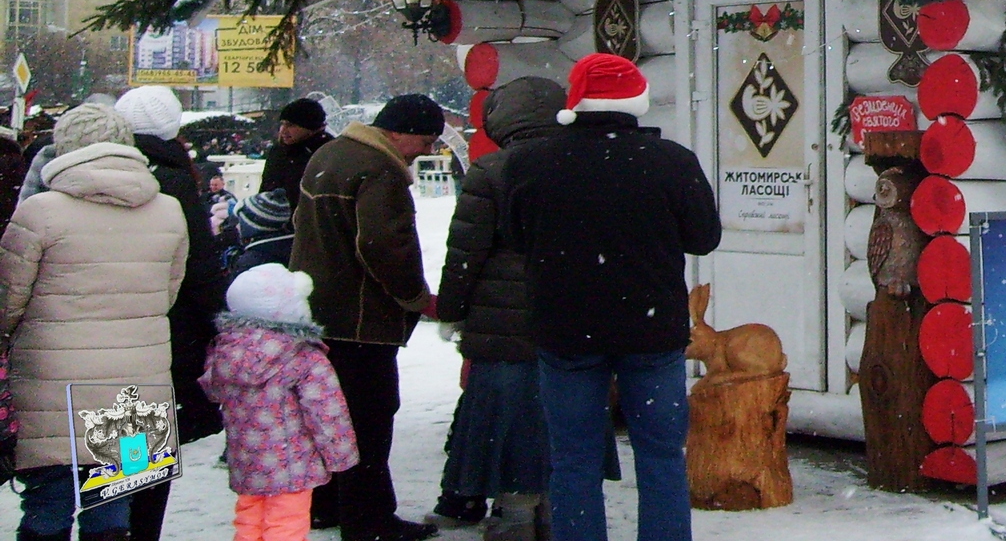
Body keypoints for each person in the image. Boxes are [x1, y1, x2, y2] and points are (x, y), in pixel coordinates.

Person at [505, 55, 720, 541]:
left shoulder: (531, 161)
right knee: (662, 456)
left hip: (565, 329)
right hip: (651, 331)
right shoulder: (671, 161)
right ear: (636, 101)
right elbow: (704, 237)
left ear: (576, 100)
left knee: (573, 460)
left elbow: (516, 237)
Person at [0, 104, 189, 541]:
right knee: (113, 508)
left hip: (54, 384)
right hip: (136, 386)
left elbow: (8, 301)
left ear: (65, 148)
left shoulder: (39, 212)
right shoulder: (169, 211)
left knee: (49, 503)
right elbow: (167, 294)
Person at [292, 94, 446, 541]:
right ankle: (370, 520)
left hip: (319, 312)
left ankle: (325, 505)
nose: (427, 150)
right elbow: (383, 246)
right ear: (399, 131)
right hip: (362, 319)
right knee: (369, 421)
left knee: (327, 416)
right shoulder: (379, 168)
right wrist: (416, 297)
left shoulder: (330, 154)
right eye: (425, 139)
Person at [437, 78, 566, 538]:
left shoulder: (491, 170)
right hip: (568, 319)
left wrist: (451, 310)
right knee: (556, 416)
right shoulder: (581, 165)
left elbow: (464, 252)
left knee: (506, 420)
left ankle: (512, 513)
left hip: (500, 320)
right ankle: (550, 508)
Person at [116, 86, 231, 541]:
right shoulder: (173, 180)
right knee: (140, 461)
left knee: (104, 463)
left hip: (98, 334)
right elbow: (199, 268)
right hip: (161, 336)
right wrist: (218, 325)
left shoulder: (84, 170)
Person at [203, 263, 361, 541]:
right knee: (287, 521)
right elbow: (326, 410)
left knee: (249, 517)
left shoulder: (225, 351)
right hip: (294, 463)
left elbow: (213, 390)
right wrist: (341, 456)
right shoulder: (303, 356)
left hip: (248, 462)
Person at [263, 98, 333, 211]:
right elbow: (266, 188)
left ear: (310, 127)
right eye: (282, 124)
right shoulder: (278, 151)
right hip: (274, 220)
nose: (283, 130)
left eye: (291, 125)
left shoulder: (328, 153)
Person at [233, 187, 298, 276]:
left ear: (252, 226)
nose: (237, 226)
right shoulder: (293, 250)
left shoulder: (251, 263)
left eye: (240, 222)